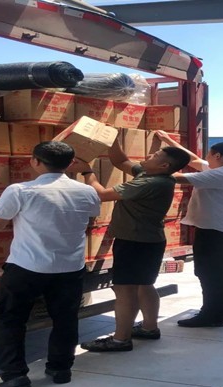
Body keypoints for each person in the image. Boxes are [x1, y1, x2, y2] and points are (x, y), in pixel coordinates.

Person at [0, 141, 100, 387]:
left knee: (12, 320)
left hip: (27, 267)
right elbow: (91, 216)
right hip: (69, 268)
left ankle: (14, 376)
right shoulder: (87, 192)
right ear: (71, 163)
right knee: (65, 319)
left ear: (35, 161)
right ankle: (61, 369)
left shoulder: (20, 190)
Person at [77, 135, 190, 352]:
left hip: (134, 242)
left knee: (124, 289)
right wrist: (111, 138)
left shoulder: (149, 182)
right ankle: (149, 328)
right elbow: (120, 161)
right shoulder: (154, 175)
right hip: (149, 241)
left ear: (164, 166)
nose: (150, 155)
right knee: (144, 285)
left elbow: (102, 195)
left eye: (156, 155)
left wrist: (86, 171)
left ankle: (120, 340)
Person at [154, 131, 223, 328]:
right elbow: (193, 160)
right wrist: (168, 141)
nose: (206, 158)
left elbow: (178, 178)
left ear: (218, 156)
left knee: (210, 272)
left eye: (209, 155)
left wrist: (149, 166)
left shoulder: (222, 174)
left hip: (217, 231)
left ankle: (212, 315)